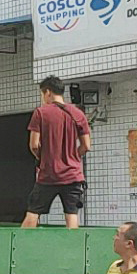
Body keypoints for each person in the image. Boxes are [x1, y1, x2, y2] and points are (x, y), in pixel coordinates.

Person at [23, 75, 90, 228]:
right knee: (72, 214)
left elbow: (34, 144)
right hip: (73, 175)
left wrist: (44, 157)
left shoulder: (40, 113)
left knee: (33, 212)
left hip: (48, 175)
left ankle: (22, 246)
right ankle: (74, 248)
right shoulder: (78, 114)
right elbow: (86, 146)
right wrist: (72, 157)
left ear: (47, 92)